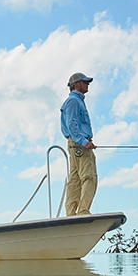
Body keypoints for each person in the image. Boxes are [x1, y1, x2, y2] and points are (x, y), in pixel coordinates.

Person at [60, 72, 96, 216]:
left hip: (75, 143)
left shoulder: (75, 101)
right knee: (89, 176)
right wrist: (83, 141)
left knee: (75, 178)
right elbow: (71, 123)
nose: (87, 84)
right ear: (76, 84)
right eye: (85, 82)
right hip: (79, 143)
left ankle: (71, 213)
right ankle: (83, 211)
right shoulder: (74, 101)